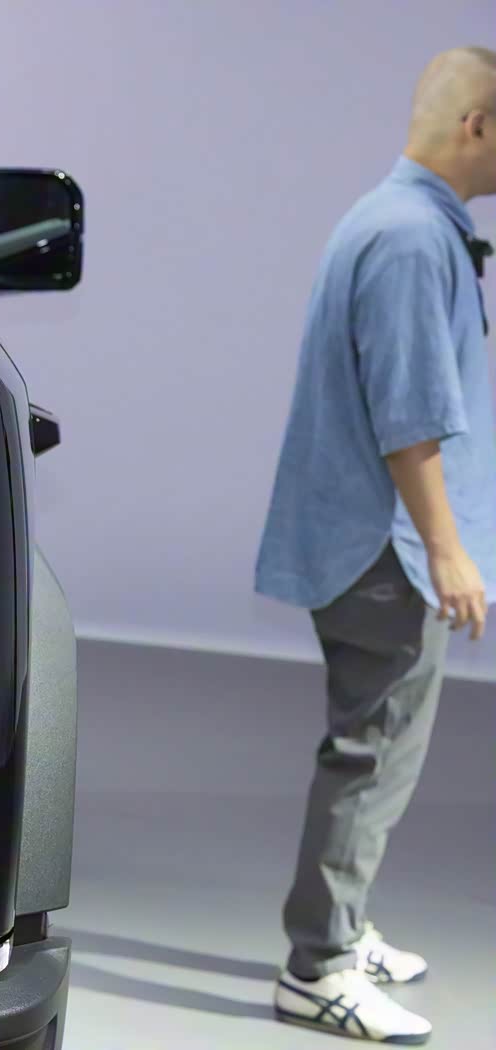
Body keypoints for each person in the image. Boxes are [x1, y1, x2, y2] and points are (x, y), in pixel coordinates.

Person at [255, 46, 496, 1045]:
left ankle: (340, 929)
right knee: (372, 756)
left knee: (374, 751)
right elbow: (408, 417)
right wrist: (447, 550)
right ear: (477, 126)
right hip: (382, 550)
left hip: (366, 539)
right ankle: (316, 968)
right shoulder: (408, 238)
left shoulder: (392, 217)